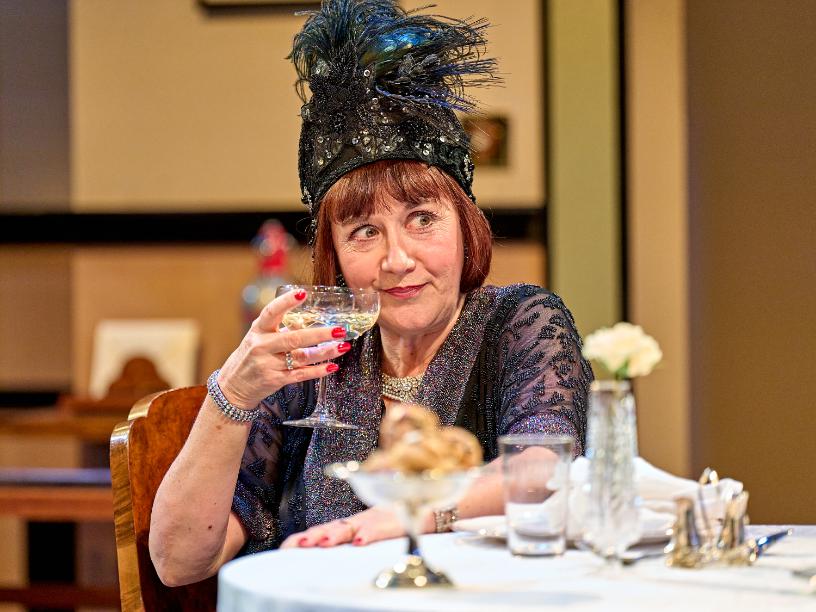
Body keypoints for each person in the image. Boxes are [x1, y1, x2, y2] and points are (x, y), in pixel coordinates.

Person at [149, 0, 591, 587]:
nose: (397, 259)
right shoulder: (310, 358)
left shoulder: (522, 321)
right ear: (333, 253)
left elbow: (544, 470)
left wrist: (409, 517)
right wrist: (232, 391)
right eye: (364, 232)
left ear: (466, 228)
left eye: (423, 220)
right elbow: (179, 562)